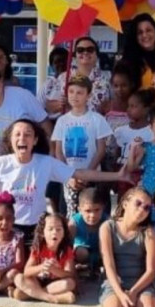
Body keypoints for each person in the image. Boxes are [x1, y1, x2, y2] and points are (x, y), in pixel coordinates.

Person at [51, 76, 112, 215]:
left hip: (91, 176)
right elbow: (58, 151)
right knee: (71, 214)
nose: (74, 96)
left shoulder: (97, 119)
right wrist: (69, 175)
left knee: (92, 212)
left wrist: (88, 174)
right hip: (69, 177)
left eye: (79, 92)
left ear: (88, 95)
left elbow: (101, 149)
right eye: (71, 91)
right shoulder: (62, 121)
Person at [0, 65, 48, 161]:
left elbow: (44, 122)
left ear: (1, 81)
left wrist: (51, 152)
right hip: (2, 160)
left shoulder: (22, 95)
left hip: (34, 156)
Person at [13, 211, 79, 304]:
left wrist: (54, 270)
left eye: (59, 229)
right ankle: (52, 298)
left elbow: (70, 274)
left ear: (64, 232)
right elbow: (27, 272)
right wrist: (42, 267)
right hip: (38, 282)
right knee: (19, 278)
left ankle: (33, 294)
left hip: (55, 285)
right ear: (42, 232)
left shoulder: (66, 250)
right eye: (50, 229)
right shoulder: (38, 248)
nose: (54, 232)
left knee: (70, 283)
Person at [39, 36, 112, 118]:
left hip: (98, 127)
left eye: (90, 49)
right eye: (80, 50)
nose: (85, 53)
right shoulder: (64, 77)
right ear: (75, 55)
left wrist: (109, 107)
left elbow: (116, 105)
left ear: (97, 54)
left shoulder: (107, 78)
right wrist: (62, 104)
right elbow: (50, 106)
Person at [119, 14, 155, 89]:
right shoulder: (127, 62)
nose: (145, 35)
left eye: (148, 30)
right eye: (140, 32)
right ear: (135, 37)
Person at [109, 88, 155, 171]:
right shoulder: (120, 131)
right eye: (128, 106)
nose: (128, 109)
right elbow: (117, 156)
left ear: (146, 110)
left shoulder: (153, 132)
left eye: (133, 106)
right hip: (121, 175)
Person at [68, 186, 107, 276]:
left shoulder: (107, 221)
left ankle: (99, 267)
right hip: (82, 252)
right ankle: (85, 266)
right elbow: (68, 246)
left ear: (103, 208)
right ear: (80, 210)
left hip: (101, 252)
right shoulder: (74, 223)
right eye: (88, 211)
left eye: (97, 210)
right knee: (81, 252)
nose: (92, 215)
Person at [103, 64, 135, 134]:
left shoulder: (137, 106)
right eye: (116, 86)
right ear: (111, 85)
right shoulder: (105, 105)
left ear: (132, 84)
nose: (119, 89)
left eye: (124, 85)